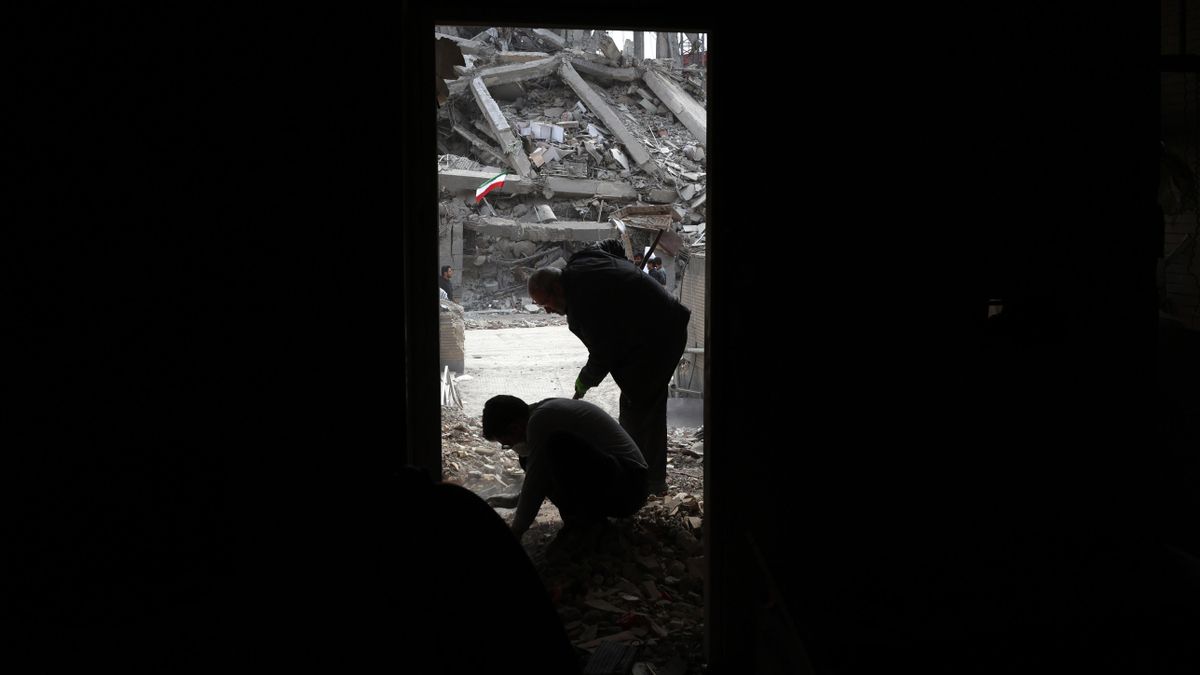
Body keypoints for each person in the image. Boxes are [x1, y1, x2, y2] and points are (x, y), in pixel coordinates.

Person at [527, 248, 690, 495]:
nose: (547, 310)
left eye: (545, 303)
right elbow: (611, 244)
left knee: (646, 407)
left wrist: (583, 381)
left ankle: (652, 483)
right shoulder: (581, 260)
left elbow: (603, 355)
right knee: (633, 401)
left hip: (661, 335)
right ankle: (632, 468)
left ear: (557, 289)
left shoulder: (584, 304)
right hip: (645, 329)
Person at [481, 395, 649, 542]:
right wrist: (514, 500)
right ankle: (583, 521)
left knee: (557, 446)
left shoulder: (542, 420)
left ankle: (584, 525)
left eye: (507, 444)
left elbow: (537, 482)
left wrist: (516, 531)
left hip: (631, 488)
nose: (510, 447)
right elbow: (537, 473)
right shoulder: (541, 414)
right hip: (621, 481)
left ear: (515, 428)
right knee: (528, 458)